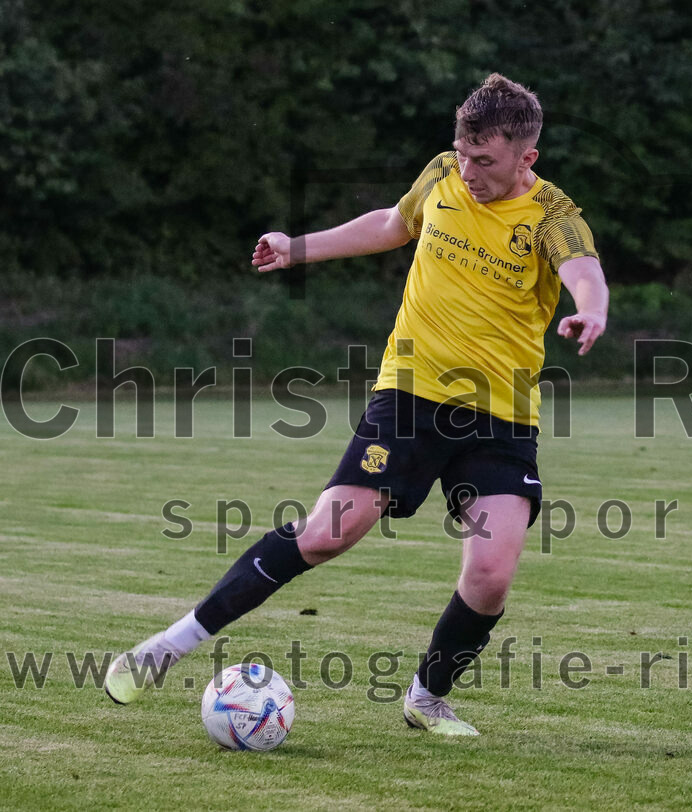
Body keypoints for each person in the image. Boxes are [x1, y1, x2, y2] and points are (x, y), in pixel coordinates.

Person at [104, 73, 609, 736]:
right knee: (328, 533)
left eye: (484, 161)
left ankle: (426, 699)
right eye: (462, 153)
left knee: (491, 573)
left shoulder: (554, 216)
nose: (469, 170)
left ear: (526, 159)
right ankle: (163, 649)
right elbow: (394, 224)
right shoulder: (441, 177)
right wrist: (298, 247)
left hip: (500, 417)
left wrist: (590, 312)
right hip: (410, 394)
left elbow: (583, 271)